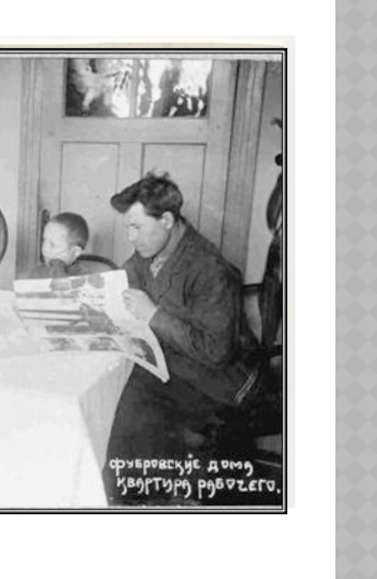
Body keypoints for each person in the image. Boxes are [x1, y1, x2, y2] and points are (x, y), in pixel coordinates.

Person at [104, 171, 254, 505]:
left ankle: (150, 504)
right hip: (168, 362)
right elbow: (124, 279)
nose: (130, 237)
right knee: (114, 399)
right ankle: (126, 498)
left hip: (212, 381)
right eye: (128, 227)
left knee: (134, 414)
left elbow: (217, 352)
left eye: (137, 227)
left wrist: (153, 315)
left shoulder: (211, 270)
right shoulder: (150, 250)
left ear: (168, 220)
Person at [28, 212, 90, 279]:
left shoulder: (86, 278)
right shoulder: (37, 273)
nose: (44, 250)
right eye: (44, 240)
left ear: (75, 252)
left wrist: (59, 269)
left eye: (53, 245)